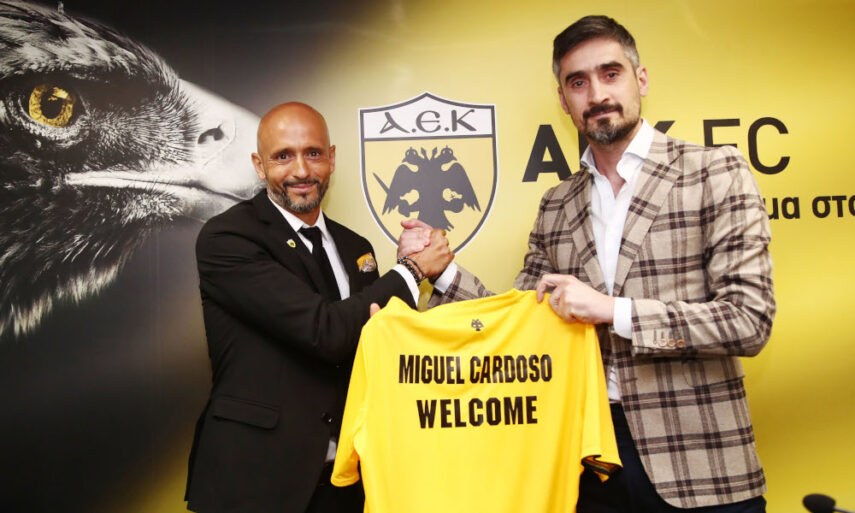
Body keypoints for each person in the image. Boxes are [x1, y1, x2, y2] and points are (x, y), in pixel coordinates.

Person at [401, 15, 775, 513]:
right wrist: (441, 269)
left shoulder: (715, 172)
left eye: (610, 73)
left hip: (701, 466)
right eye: (578, 82)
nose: (597, 94)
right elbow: (518, 321)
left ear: (641, 79)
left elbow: (749, 320)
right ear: (563, 100)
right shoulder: (557, 203)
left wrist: (611, 310)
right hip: (590, 464)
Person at [185, 102, 452, 513]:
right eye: (283, 156)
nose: (301, 171)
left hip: (345, 480)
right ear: (259, 166)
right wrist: (411, 271)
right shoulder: (227, 238)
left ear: (331, 158)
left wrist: (403, 271)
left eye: (313, 153)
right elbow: (325, 332)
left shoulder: (355, 247)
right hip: (255, 483)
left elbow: (375, 340)